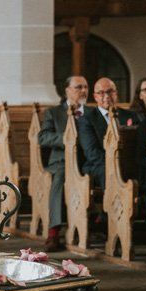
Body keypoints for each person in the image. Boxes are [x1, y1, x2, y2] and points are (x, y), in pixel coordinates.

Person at [38, 76, 90, 251]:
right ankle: (54, 232)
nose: (83, 91)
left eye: (85, 87)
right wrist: (66, 139)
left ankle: (99, 221)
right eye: (78, 87)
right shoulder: (54, 112)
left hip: (86, 160)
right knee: (59, 179)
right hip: (61, 161)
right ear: (67, 90)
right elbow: (43, 137)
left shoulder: (91, 112)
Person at [78, 77, 137, 188]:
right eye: (101, 93)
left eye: (110, 91)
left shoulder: (131, 115)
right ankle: (113, 204)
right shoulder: (87, 119)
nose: (106, 96)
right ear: (95, 97)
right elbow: (92, 152)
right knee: (108, 171)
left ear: (116, 93)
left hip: (127, 161)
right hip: (100, 164)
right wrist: (115, 162)